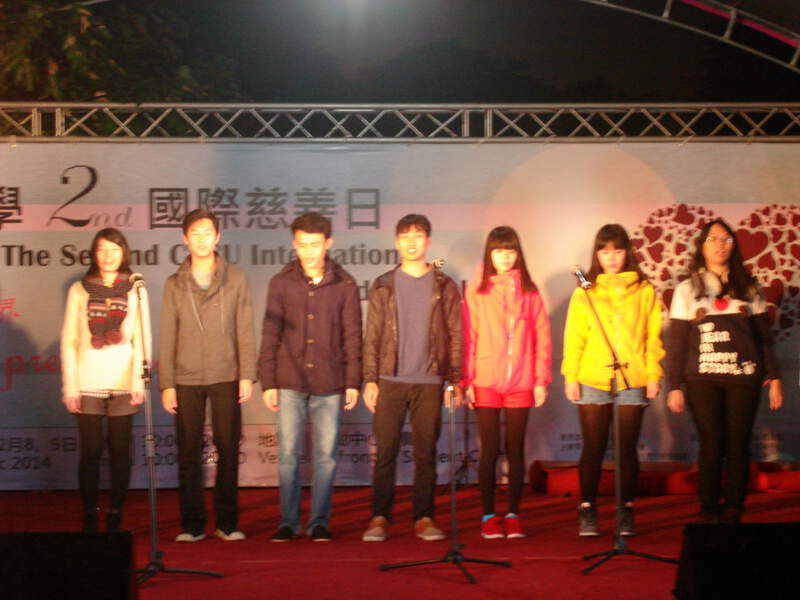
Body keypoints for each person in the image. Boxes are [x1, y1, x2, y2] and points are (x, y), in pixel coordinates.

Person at [665, 219, 782, 524]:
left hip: (743, 377)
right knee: (711, 442)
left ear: (734, 246)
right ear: (702, 246)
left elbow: (764, 338)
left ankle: (734, 507)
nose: (720, 245)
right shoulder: (687, 289)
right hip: (702, 378)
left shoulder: (748, 286)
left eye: (727, 239)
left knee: (738, 442)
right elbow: (677, 341)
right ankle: (709, 508)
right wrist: (674, 384)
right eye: (714, 239)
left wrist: (774, 378)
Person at [258, 212, 362, 542]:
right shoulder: (281, 282)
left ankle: (319, 521)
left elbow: (353, 337)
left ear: (328, 243)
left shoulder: (345, 284)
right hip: (289, 379)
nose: (309, 252)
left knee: (325, 457)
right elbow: (270, 333)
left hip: (330, 381)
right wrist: (268, 381)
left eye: (315, 245)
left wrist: (353, 381)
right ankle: (288, 521)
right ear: (294, 244)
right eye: (303, 245)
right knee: (288, 455)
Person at [361, 214, 463, 542]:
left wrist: (454, 379)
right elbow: (373, 334)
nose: (411, 242)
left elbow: (456, 334)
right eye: (405, 236)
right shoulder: (384, 284)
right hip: (390, 379)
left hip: (430, 380)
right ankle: (380, 517)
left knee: (425, 453)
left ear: (428, 242)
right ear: (396, 242)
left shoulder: (444, 285)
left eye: (418, 236)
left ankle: (424, 517)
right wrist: (371, 379)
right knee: (385, 452)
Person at [159, 208, 256, 542]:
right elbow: (167, 335)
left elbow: (245, 328)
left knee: (227, 448)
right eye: (195, 233)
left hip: (226, 373)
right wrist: (167, 383)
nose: (201, 239)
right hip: (186, 377)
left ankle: (227, 523)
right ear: (185, 239)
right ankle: (192, 524)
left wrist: (247, 374)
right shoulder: (174, 283)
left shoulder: (236, 277)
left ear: (218, 237)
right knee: (188, 451)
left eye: (207, 233)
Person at [562, 224, 664, 537]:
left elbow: (652, 337)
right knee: (593, 448)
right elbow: (574, 337)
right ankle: (587, 509)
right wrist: (570, 376)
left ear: (627, 252)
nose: (612, 257)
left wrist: (653, 374)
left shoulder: (644, 290)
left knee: (626, 450)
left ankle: (625, 510)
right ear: (597, 255)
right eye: (605, 251)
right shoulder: (585, 291)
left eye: (618, 250)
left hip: (632, 378)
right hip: (593, 377)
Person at [462, 226, 551, 539]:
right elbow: (469, 337)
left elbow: (542, 337)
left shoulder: (529, 290)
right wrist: (467, 379)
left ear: (518, 254)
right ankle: (488, 515)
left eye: (510, 251)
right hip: (486, 379)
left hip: (521, 381)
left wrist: (540, 380)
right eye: (498, 251)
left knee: (515, 449)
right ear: (489, 253)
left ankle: (513, 514)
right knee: (489, 450)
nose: (504, 256)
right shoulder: (477, 290)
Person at [61, 228, 151, 532]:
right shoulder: (79, 289)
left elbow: (142, 338)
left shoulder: (136, 287)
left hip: (124, 381)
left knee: (120, 452)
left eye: (114, 248)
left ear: (123, 252)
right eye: (102, 249)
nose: (108, 255)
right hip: (88, 380)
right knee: (90, 451)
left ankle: (115, 511)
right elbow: (69, 340)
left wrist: (139, 381)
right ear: (93, 253)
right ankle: (89, 511)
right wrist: (70, 386)